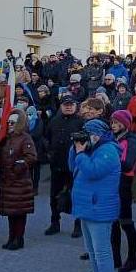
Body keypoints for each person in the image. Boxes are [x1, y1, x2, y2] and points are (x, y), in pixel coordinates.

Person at [72, 118, 121, 272]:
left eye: (89, 134)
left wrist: (81, 153)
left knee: (102, 253)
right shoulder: (90, 150)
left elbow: (92, 172)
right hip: (87, 207)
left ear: (98, 135)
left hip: (100, 209)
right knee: (91, 251)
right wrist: (76, 149)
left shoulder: (109, 151)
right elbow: (72, 165)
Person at [0, 108, 37, 250]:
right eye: (9, 122)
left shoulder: (25, 138)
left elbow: (31, 157)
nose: (10, 124)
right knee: (11, 213)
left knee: (19, 213)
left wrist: (17, 169)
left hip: (19, 182)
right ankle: (11, 237)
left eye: (13, 122)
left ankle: (19, 239)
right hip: (7, 181)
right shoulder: (7, 138)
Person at [44, 95, 84, 235]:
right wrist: (50, 153)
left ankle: (78, 225)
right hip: (56, 165)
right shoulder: (54, 121)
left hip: (75, 167)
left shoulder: (81, 122)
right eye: (65, 104)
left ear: (75, 106)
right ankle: (55, 222)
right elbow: (46, 138)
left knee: (76, 196)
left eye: (71, 104)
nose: (68, 107)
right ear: (61, 106)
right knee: (54, 195)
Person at [109, 110, 136, 272]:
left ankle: (132, 258)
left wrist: (108, 161)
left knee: (126, 222)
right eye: (112, 122)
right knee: (113, 223)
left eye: (117, 122)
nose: (113, 125)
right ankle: (115, 257)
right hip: (112, 183)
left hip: (124, 183)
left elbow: (129, 164)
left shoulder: (132, 139)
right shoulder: (113, 139)